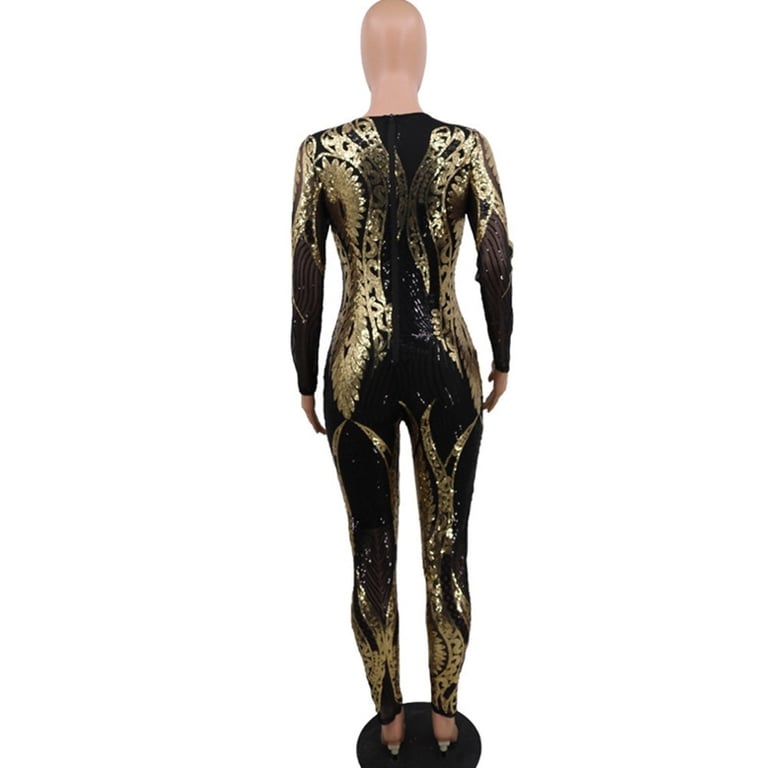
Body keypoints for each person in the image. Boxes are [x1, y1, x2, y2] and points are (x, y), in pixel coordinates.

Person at [290, 0, 513, 756]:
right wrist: (505, 352)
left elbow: (306, 275)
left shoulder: (322, 152)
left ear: (365, 58)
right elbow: (495, 259)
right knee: (447, 549)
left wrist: (303, 374)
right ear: (421, 57)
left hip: (356, 368)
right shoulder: (467, 146)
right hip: (447, 363)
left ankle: (389, 724)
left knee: (370, 550)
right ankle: (445, 720)